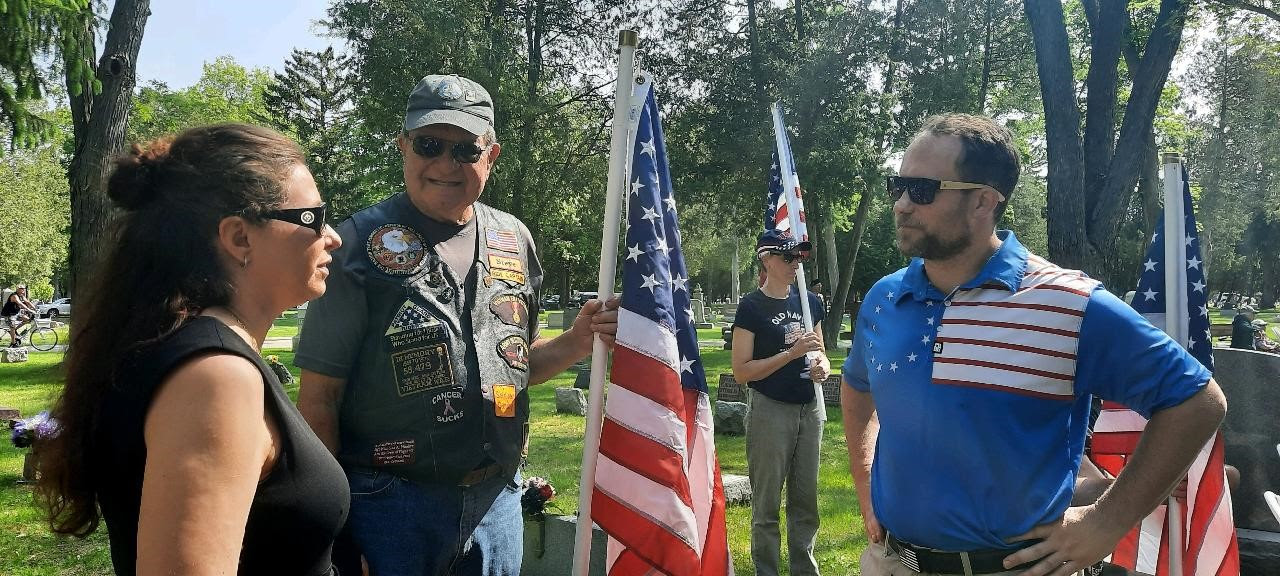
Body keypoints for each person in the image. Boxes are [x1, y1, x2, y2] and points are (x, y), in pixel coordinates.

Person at [840, 113, 1227, 576]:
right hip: (894, 563)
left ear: (984, 201)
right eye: (897, 186)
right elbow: (857, 385)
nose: (902, 204)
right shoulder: (885, 298)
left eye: (921, 190)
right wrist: (866, 482)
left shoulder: (1068, 302)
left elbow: (1198, 400)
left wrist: (1106, 522)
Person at [294, 73, 618, 576]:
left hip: (497, 500)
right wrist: (336, 527)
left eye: (466, 149)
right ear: (403, 146)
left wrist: (578, 340)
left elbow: (517, 366)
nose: (446, 164)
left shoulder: (513, 238)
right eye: (429, 144)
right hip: (388, 503)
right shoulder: (357, 245)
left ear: (492, 154)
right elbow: (319, 398)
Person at [34, 124, 349, 575]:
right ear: (239, 237)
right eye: (313, 218)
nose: (332, 236)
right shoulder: (215, 379)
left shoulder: (201, 354)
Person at [730, 229, 830, 576]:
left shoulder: (808, 300)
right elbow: (742, 371)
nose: (796, 264)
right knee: (767, 503)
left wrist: (822, 367)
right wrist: (790, 354)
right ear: (767, 260)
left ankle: (805, 570)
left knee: (805, 501)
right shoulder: (751, 307)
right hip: (770, 409)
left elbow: (820, 352)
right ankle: (767, 571)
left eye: (799, 257)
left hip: (809, 409)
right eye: (788, 257)